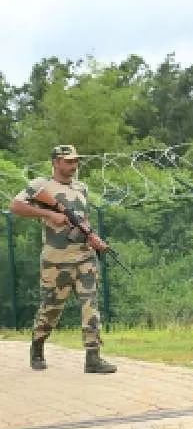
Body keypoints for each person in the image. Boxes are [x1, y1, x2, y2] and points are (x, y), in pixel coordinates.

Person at [10, 144, 117, 374]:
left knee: (91, 304)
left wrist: (94, 238)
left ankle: (93, 356)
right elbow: (16, 206)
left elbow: (83, 220)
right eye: (68, 161)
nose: (73, 165)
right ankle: (37, 346)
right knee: (51, 309)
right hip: (55, 261)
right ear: (56, 162)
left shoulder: (81, 188)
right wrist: (49, 214)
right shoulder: (41, 185)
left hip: (84, 257)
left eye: (75, 161)